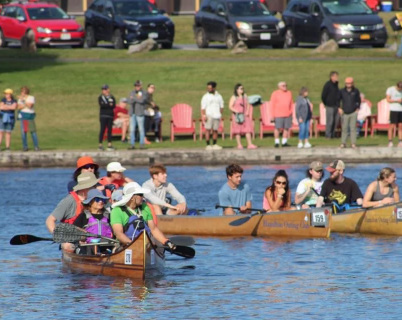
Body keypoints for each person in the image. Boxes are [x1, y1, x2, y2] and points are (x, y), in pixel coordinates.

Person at [110, 182, 175, 249]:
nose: (143, 197)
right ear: (132, 197)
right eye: (140, 195)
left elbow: (153, 229)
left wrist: (165, 241)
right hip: (125, 245)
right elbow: (118, 234)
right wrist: (133, 245)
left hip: (146, 245)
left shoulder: (145, 207)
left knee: (159, 247)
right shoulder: (117, 211)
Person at [45, 172, 99, 251]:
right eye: (94, 186)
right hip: (72, 239)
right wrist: (60, 238)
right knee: (67, 246)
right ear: (85, 188)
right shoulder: (69, 201)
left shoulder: (98, 200)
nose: (96, 188)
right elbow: (49, 221)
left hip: (93, 238)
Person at [73, 189, 113, 254]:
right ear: (90, 202)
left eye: (102, 199)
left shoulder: (108, 215)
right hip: (88, 246)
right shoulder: (83, 216)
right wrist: (80, 239)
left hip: (106, 246)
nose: (101, 201)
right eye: (97, 199)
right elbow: (74, 230)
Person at [228, 84, 257, 149]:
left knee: (247, 130)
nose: (242, 90)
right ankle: (239, 144)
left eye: (242, 88)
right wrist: (236, 111)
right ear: (237, 89)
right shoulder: (234, 97)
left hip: (245, 115)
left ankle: (250, 144)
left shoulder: (245, 96)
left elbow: (248, 104)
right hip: (237, 115)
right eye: (241, 89)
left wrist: (247, 111)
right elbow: (230, 106)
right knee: (237, 130)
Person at [201, 81, 224, 150]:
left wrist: (219, 113)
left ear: (214, 88)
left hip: (216, 115)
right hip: (209, 115)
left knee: (215, 130)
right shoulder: (205, 97)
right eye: (208, 88)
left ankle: (214, 144)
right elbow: (203, 107)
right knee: (208, 129)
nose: (209, 89)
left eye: (210, 88)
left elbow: (221, 106)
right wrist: (204, 115)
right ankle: (208, 145)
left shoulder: (219, 96)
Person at [339, 77, 361, 149]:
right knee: (344, 128)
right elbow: (338, 100)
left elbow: (358, 100)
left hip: (353, 112)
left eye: (350, 83)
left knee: (353, 128)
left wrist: (357, 108)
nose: (348, 85)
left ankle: (353, 143)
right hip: (345, 112)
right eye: (347, 83)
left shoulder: (356, 91)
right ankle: (343, 143)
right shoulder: (342, 91)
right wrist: (339, 108)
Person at [270, 81, 293, 148]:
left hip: (287, 113)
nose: (285, 86)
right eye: (283, 85)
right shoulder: (275, 93)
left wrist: (291, 112)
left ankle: (284, 142)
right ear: (279, 87)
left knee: (286, 128)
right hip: (278, 114)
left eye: (286, 85)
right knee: (277, 128)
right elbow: (272, 105)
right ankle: (276, 142)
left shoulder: (289, 93)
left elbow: (291, 103)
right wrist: (272, 115)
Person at [17, 86, 40, 151]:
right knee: (24, 131)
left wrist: (24, 101)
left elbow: (30, 106)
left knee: (33, 131)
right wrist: (25, 104)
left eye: (23, 92)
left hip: (30, 116)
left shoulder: (31, 97)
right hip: (24, 116)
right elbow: (19, 107)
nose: (21, 93)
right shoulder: (20, 99)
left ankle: (36, 146)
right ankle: (25, 146)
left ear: (25, 92)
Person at [321, 71, 340, 139]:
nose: (336, 78)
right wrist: (326, 103)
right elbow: (323, 95)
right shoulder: (328, 84)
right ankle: (328, 135)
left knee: (336, 121)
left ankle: (333, 134)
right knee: (330, 121)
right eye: (335, 76)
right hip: (329, 106)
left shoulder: (336, 85)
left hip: (336, 106)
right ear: (332, 77)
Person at [128, 80, 146, 150]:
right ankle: (132, 144)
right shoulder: (132, 92)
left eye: (138, 85)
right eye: (136, 86)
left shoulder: (144, 93)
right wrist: (136, 99)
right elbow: (129, 101)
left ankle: (141, 144)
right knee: (132, 129)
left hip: (140, 113)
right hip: (133, 113)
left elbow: (142, 101)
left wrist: (134, 98)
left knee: (141, 129)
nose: (137, 87)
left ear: (141, 86)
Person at [98, 84, 116, 151]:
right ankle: (100, 144)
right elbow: (102, 105)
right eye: (103, 89)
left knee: (109, 130)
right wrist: (108, 104)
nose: (104, 91)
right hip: (103, 115)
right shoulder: (101, 97)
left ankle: (109, 144)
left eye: (105, 89)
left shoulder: (111, 97)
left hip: (110, 116)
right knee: (102, 130)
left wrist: (108, 105)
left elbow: (113, 105)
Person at [386, 81, 402, 147]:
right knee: (392, 126)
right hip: (394, 109)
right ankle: (390, 141)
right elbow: (388, 99)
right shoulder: (390, 89)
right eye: (399, 89)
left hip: (401, 110)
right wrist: (396, 101)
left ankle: (400, 141)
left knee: (400, 126)